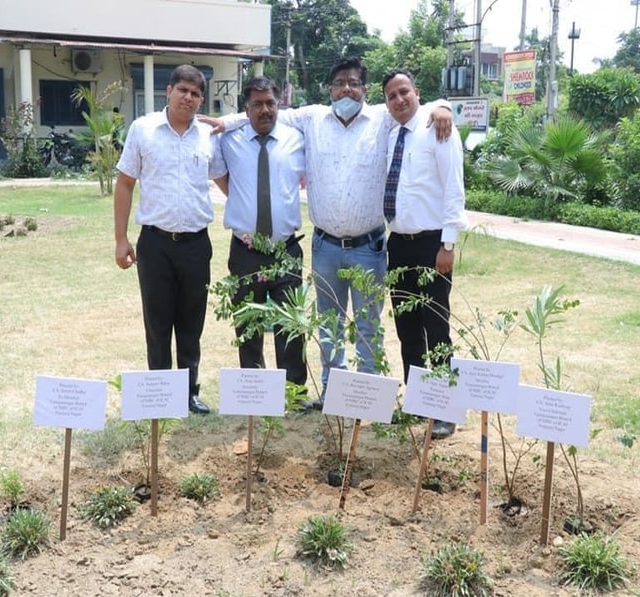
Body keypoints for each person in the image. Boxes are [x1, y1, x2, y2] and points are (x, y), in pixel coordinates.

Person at [211, 57, 453, 409]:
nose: (346, 89)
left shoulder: (383, 118)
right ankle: (332, 393)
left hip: (369, 247)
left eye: (353, 83)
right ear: (330, 89)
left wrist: (442, 107)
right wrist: (222, 121)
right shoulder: (310, 118)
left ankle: (368, 394)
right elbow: (266, 111)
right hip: (324, 247)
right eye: (339, 83)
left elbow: (412, 106)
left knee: (369, 325)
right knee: (329, 326)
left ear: (365, 90)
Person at [114, 64, 222, 415]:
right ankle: (159, 393)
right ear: (168, 91)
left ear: (201, 99)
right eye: (182, 91)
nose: (188, 98)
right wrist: (120, 239)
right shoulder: (143, 129)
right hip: (155, 244)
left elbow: (224, 182)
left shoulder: (208, 136)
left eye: (195, 93)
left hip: (196, 245)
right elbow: (125, 183)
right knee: (157, 322)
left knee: (192, 324)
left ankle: (189, 391)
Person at [382, 69, 470, 439]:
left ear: (417, 92)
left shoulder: (439, 128)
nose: (399, 100)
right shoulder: (391, 134)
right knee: (407, 327)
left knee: (436, 325)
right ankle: (419, 403)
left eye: (405, 92)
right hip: (398, 243)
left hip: (432, 243)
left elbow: (454, 186)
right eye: (391, 96)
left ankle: (445, 409)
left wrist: (448, 244)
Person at [211, 76, 307, 385]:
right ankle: (253, 388)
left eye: (270, 103)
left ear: (279, 105)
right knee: (248, 323)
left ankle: (293, 390)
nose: (264, 110)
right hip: (245, 251)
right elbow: (222, 177)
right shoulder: (229, 140)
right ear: (245, 109)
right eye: (256, 104)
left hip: (286, 250)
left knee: (290, 323)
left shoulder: (298, 138)